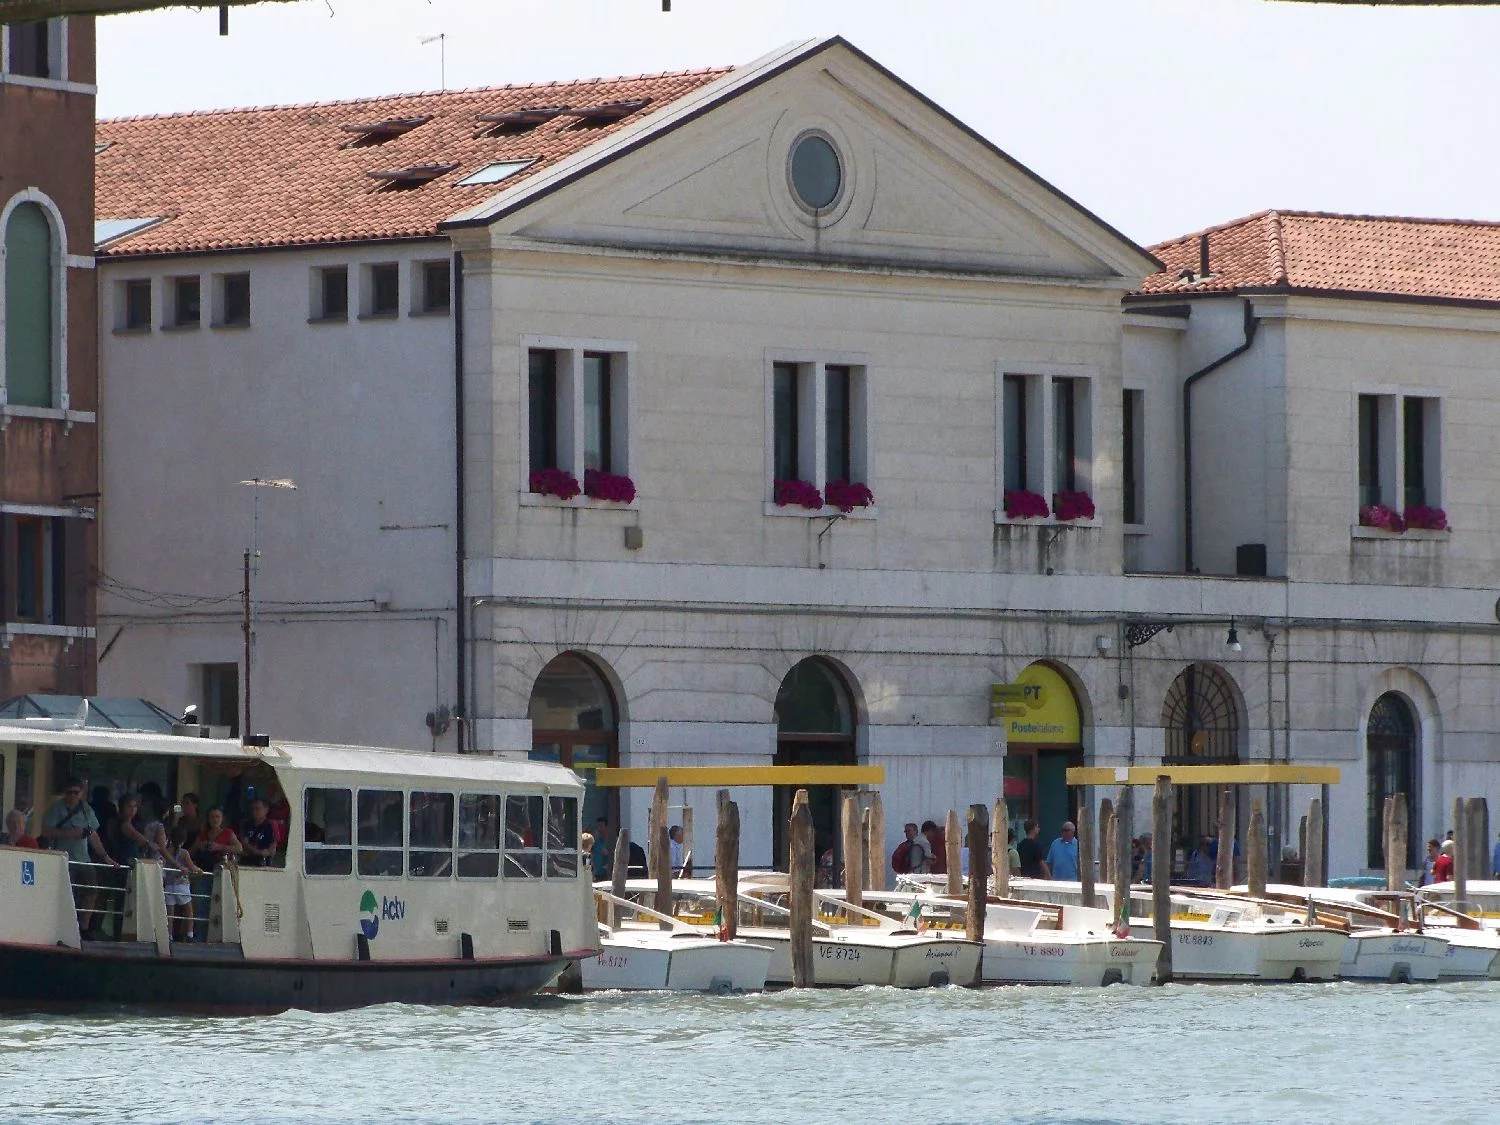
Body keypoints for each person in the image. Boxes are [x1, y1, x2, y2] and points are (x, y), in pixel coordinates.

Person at [38, 776, 119, 935]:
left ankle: (84, 928)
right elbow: (46, 831)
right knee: (67, 894)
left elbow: (93, 835)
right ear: (64, 792)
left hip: (83, 859)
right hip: (62, 858)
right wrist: (70, 833)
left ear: (81, 793)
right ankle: (63, 927)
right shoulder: (56, 809)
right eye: (69, 792)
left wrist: (105, 857)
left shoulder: (86, 810)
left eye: (76, 792)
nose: (73, 796)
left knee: (92, 891)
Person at [240, 798, 279, 867]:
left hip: (263, 860)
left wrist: (264, 853)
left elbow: (273, 846)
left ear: (266, 810)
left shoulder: (271, 825)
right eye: (252, 809)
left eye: (257, 808)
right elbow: (244, 843)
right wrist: (257, 852)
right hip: (247, 858)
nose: (254, 811)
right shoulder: (246, 824)